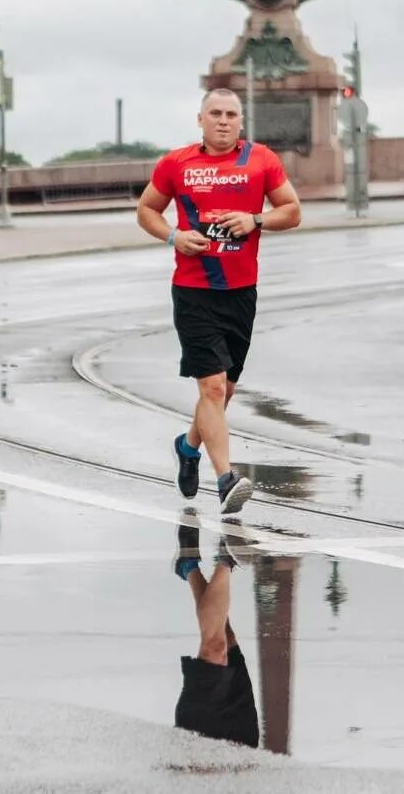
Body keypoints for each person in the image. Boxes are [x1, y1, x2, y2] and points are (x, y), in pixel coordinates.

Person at [136, 88, 303, 516]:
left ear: (241, 122)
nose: (223, 121)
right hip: (193, 290)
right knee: (210, 387)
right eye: (215, 113)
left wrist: (255, 219)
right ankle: (226, 478)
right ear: (200, 119)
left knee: (224, 391)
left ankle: (188, 446)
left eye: (231, 114)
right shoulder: (177, 163)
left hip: (241, 291)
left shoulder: (261, 160)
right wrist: (175, 235)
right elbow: (147, 211)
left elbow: (293, 210)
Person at [171, 519, 257, 747]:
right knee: (225, 638)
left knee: (215, 648)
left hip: (199, 739)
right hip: (243, 742)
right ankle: (188, 566)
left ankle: (227, 557)